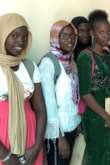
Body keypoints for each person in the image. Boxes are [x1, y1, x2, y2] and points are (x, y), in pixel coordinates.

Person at [0, 13, 46, 165]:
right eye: (14, 35)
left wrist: (36, 147)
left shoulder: (30, 66)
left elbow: (40, 110)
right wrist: (6, 156)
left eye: (25, 36)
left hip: (30, 137)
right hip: (2, 142)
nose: (21, 41)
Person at [77, 9, 110, 165]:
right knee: (97, 158)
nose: (106, 35)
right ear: (92, 33)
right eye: (101, 32)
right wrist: (106, 116)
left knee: (109, 156)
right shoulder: (85, 57)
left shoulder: (108, 55)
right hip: (95, 118)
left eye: (108, 32)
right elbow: (85, 94)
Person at [39, 20, 81, 165]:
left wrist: (77, 122)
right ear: (55, 37)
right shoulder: (48, 64)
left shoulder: (70, 60)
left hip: (72, 125)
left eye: (72, 36)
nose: (70, 40)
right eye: (64, 36)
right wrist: (60, 138)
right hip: (58, 133)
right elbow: (49, 104)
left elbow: (73, 97)